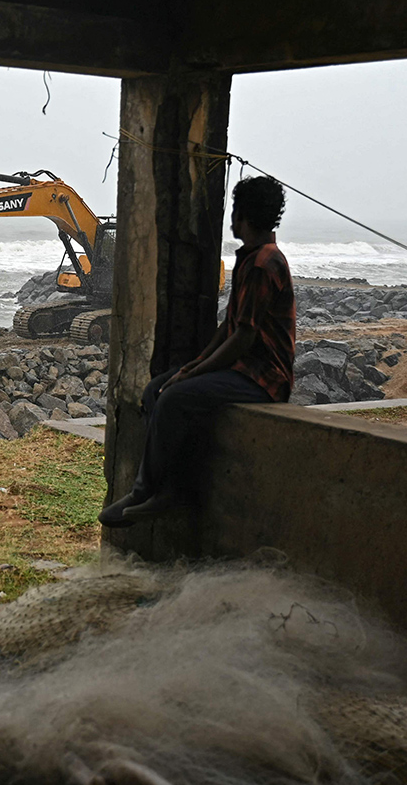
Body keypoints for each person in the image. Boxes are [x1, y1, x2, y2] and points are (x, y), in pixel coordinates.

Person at [99, 175, 296, 526]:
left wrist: (198, 372)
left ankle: (152, 491)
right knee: (156, 388)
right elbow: (229, 326)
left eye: (235, 213)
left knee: (175, 397)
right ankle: (162, 486)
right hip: (242, 369)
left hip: (263, 377)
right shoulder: (252, 259)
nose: (231, 220)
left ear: (245, 217)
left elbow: (243, 338)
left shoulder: (264, 265)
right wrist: (196, 364)